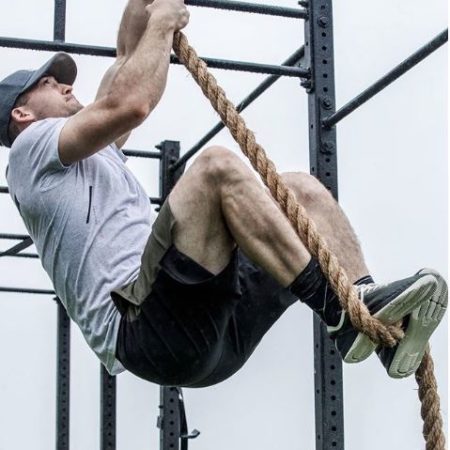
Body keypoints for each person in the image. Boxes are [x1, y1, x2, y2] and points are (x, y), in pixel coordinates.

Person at [0, 0, 446, 387]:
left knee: (300, 192)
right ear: (22, 114)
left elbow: (128, 56)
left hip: (212, 335)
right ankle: (339, 312)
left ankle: (364, 309)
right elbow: (130, 103)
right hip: (148, 331)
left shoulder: (92, 154)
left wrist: (151, 10)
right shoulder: (29, 152)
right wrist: (164, 21)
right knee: (215, 169)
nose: (65, 85)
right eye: (49, 84)